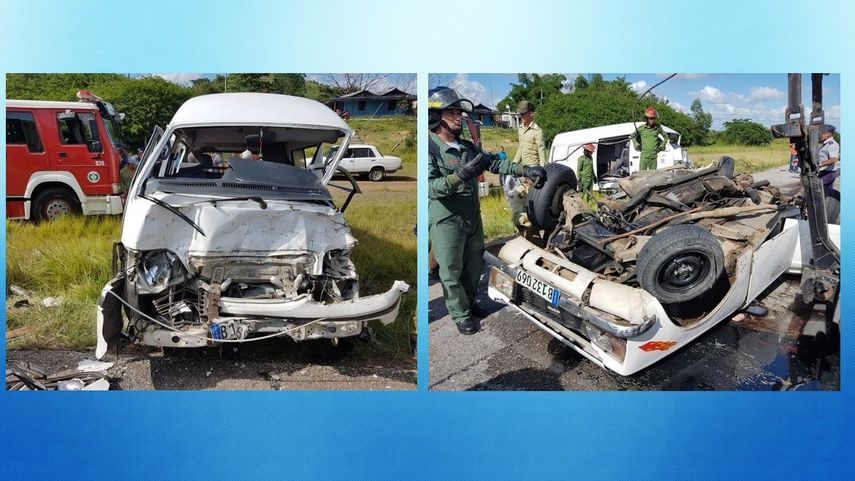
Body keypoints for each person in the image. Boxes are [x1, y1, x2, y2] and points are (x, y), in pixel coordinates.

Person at [428, 86, 546, 335]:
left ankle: (470, 303)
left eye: (460, 113)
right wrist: (460, 176)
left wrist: (524, 170)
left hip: (472, 217)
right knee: (451, 271)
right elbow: (431, 188)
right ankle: (460, 314)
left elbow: (494, 162)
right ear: (436, 116)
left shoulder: (467, 147)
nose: (458, 117)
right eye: (452, 112)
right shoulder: (431, 148)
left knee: (473, 268)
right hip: (447, 219)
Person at [508, 100, 547, 235]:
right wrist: (513, 165)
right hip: (522, 171)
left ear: (531, 113)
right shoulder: (521, 129)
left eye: (524, 114)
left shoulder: (537, 131)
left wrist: (542, 171)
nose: (521, 116)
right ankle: (522, 229)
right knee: (518, 199)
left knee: (532, 203)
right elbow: (521, 148)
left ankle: (535, 230)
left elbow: (541, 150)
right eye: (520, 114)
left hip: (533, 173)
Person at [817, 124, 840, 190]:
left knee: (818, 189)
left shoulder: (832, 144)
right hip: (825, 172)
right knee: (827, 192)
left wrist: (819, 164)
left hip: (828, 173)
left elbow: (834, 159)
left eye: (822, 133)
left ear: (828, 134)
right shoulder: (825, 143)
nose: (820, 135)